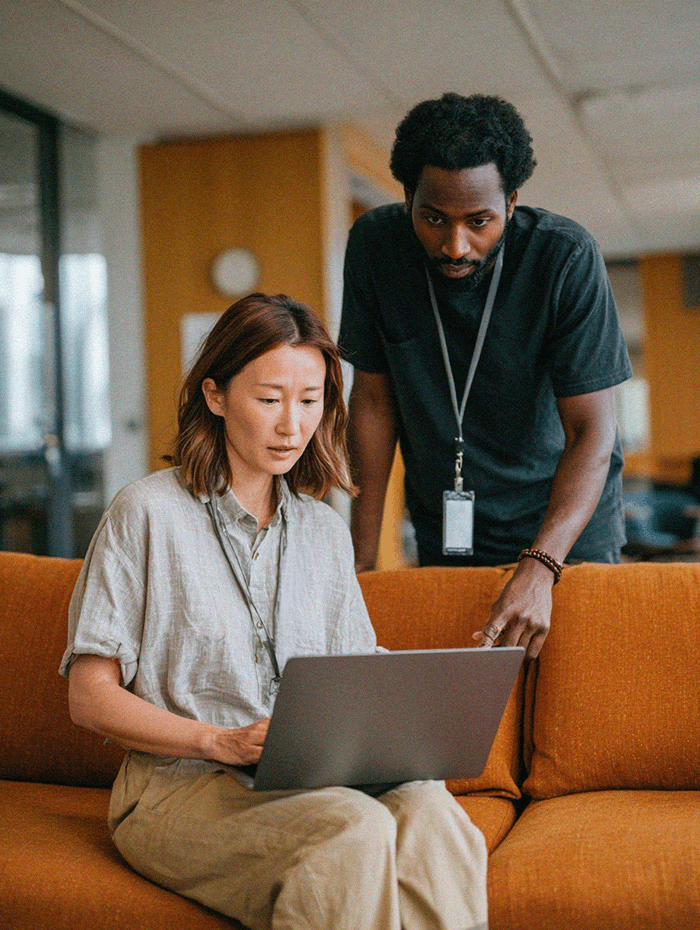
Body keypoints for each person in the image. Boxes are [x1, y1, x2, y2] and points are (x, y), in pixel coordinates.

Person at [60, 293, 488, 930]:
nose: (293, 424)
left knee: (431, 808)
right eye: (269, 400)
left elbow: (355, 665)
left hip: (302, 779)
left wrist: (432, 695)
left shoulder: (322, 531)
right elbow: (88, 696)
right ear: (215, 395)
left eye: (311, 400)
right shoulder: (145, 513)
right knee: (352, 829)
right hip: (177, 787)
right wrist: (219, 740)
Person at [340, 92, 632, 661]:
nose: (455, 246)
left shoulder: (564, 259)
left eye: (479, 222)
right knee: (468, 708)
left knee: (573, 703)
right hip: (450, 526)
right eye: (432, 218)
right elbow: (373, 403)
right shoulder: (376, 248)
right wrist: (360, 559)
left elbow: (592, 433)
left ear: (512, 201)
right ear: (407, 199)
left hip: (567, 530)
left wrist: (541, 564)